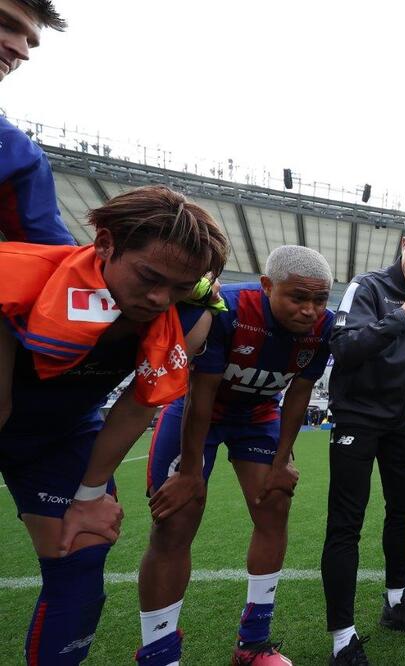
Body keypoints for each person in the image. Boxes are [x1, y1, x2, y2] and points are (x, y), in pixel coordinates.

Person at [0, 185, 228, 665]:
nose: (160, 298)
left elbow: (139, 404)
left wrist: (88, 497)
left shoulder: (190, 312)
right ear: (104, 243)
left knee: (83, 555)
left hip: (60, 432)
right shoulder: (18, 278)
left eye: (180, 286)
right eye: (149, 277)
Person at [133, 246, 335, 666]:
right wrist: (190, 472)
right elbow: (201, 393)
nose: (310, 310)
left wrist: (282, 461)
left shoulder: (324, 326)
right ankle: (159, 655)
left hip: (258, 414)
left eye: (319, 299)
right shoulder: (229, 308)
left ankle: (252, 644)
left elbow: (299, 395)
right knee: (176, 519)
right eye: (299, 297)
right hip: (198, 411)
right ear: (267, 286)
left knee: (274, 503)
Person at [321, 210, 405, 665]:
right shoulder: (367, 286)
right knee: (346, 524)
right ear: (403, 243)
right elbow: (342, 348)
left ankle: (396, 603)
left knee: (403, 511)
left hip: (402, 421)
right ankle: (342, 638)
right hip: (357, 418)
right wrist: (401, 318)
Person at [0, 0, 74, 245]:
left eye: (30, 43)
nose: (23, 52)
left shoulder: (17, 152)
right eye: (5, 23)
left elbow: (55, 254)